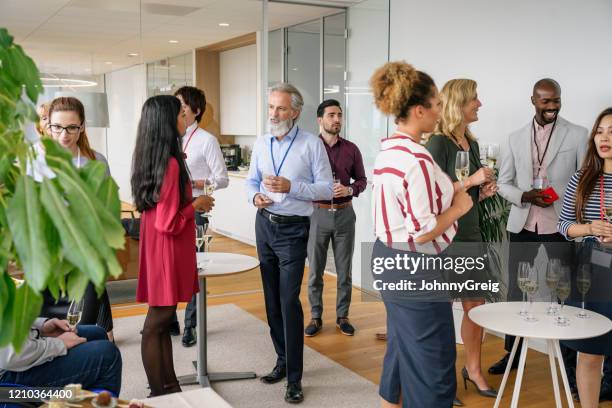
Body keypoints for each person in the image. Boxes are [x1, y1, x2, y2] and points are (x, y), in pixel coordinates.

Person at [369, 61, 473, 408]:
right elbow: (424, 229)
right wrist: (459, 208)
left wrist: (457, 189)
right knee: (434, 366)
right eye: (437, 105)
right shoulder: (418, 158)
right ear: (419, 110)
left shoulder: (389, 150)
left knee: (401, 348)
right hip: (416, 267)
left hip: (387, 258)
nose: (441, 112)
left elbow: (415, 202)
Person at [494, 79, 588, 391]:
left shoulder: (577, 134)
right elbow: (503, 183)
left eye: (556, 101)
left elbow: (584, 181)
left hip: (560, 226)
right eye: (545, 102)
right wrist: (525, 195)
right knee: (515, 294)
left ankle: (570, 367)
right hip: (523, 223)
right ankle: (513, 354)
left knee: (565, 293)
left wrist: (562, 198)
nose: (552, 107)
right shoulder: (513, 138)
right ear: (533, 100)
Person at [245, 83, 333, 404]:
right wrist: (254, 195)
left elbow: (325, 188)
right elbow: (252, 180)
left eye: (280, 108)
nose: (274, 114)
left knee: (288, 302)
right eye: (271, 107)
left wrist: (291, 186)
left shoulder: (312, 145)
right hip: (264, 225)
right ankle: (282, 360)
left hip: (294, 230)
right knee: (270, 302)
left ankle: (294, 378)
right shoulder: (261, 142)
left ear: (295, 112)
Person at [131, 95, 214, 396]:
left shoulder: (150, 157)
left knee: (162, 322)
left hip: (156, 248)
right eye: (180, 114)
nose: (185, 118)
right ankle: (159, 392)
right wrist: (197, 203)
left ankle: (169, 386)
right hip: (167, 249)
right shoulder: (171, 164)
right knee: (156, 324)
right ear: (167, 122)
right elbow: (170, 222)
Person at [425, 79, 497, 402]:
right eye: (474, 99)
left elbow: (466, 196)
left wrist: (482, 191)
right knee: (441, 310)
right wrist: (471, 180)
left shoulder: (472, 143)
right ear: (459, 103)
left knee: (475, 306)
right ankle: (442, 380)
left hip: (471, 234)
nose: (479, 103)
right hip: (445, 237)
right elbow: (434, 196)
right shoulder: (438, 144)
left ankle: (473, 369)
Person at [46, 96, 114, 341]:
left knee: (79, 331)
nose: (64, 135)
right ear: (48, 126)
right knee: (49, 336)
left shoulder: (96, 162)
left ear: (82, 126)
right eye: (57, 127)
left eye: (72, 127)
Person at [557, 107, 612, 408]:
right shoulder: (583, 178)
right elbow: (564, 226)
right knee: (590, 351)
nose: (604, 138)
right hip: (593, 270)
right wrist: (590, 227)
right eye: (600, 131)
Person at [171, 85, 229, 347]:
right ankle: (169, 318)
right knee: (171, 267)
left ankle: (190, 325)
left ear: (196, 110)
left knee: (194, 270)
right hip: (172, 211)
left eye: (183, 106)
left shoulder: (207, 140)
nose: (179, 110)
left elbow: (222, 179)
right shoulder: (170, 137)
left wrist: (193, 182)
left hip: (196, 211)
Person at [305, 99, 367, 338]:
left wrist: (349, 189)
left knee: (345, 270)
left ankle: (343, 316)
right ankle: (315, 317)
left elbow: (361, 180)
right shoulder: (309, 147)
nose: (337, 119)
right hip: (317, 214)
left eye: (339, 115)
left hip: (344, 215)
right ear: (320, 120)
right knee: (315, 271)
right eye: (331, 115)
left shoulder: (351, 149)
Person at [0, 318, 122, 396]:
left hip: (20, 346)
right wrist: (59, 344)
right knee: (108, 356)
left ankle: (84, 401)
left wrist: (41, 327)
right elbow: (10, 355)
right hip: (7, 378)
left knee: (97, 333)